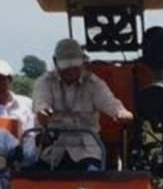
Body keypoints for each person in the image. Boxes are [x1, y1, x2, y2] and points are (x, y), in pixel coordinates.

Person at [31, 38, 134, 171]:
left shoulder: (94, 84)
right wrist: (42, 112)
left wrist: (121, 112)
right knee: (34, 180)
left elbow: (110, 103)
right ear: (55, 62)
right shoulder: (44, 82)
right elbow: (41, 102)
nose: (71, 71)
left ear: (83, 62)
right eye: (66, 68)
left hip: (86, 150)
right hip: (54, 151)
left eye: (75, 67)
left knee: (93, 181)